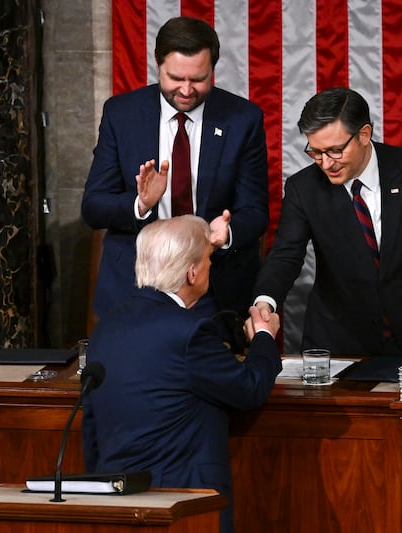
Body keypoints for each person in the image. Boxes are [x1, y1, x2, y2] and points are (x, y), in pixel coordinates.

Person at [253, 87, 402, 360]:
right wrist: (265, 302)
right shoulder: (303, 188)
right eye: (315, 152)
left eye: (335, 150)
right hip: (341, 341)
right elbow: (285, 254)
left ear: (364, 134)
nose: (326, 163)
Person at [81, 215, 281, 533]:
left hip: (116, 503)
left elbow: (90, 428)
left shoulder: (106, 330)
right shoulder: (191, 332)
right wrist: (264, 337)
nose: (210, 267)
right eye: (207, 260)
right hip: (184, 507)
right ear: (192, 272)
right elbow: (250, 387)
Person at [81, 16, 269, 324]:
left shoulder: (242, 119)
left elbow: (256, 210)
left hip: (215, 286)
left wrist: (227, 232)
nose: (186, 90)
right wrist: (141, 205)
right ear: (158, 65)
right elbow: (93, 206)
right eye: (175, 78)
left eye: (198, 79)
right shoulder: (122, 113)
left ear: (213, 70)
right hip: (135, 285)